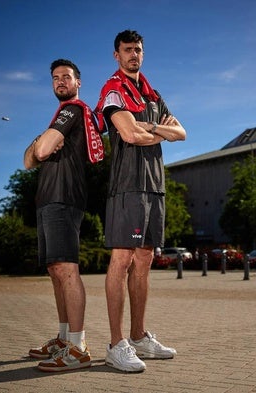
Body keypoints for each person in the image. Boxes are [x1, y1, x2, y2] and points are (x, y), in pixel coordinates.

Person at [95, 30, 187, 372]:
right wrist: (158, 130)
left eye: (138, 50)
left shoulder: (153, 94)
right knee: (121, 259)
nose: (134, 54)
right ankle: (116, 344)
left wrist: (152, 127)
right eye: (127, 50)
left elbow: (182, 132)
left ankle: (138, 337)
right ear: (116, 55)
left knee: (145, 258)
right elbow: (129, 134)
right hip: (127, 186)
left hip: (155, 186)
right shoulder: (113, 90)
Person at [24, 58, 103, 372]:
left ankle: (79, 347)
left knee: (67, 270)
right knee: (55, 271)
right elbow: (29, 160)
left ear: (78, 82)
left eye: (66, 77)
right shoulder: (59, 117)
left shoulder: (73, 110)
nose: (60, 81)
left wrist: (42, 143)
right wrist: (41, 141)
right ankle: (62, 338)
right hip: (46, 200)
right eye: (55, 78)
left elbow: (40, 153)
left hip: (64, 197)